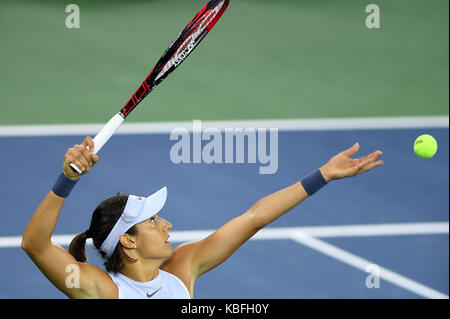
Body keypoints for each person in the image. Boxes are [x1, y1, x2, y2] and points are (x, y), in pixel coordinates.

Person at [22, 136, 383, 299]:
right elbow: (35, 246)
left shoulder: (182, 269)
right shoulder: (102, 290)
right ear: (128, 241)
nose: (167, 225)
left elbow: (253, 217)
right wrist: (67, 180)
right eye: (153, 221)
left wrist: (322, 174)